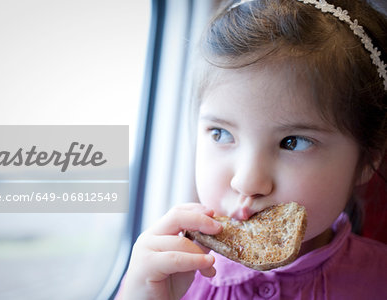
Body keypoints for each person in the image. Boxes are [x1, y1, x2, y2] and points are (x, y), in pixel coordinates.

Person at [117, 0, 387, 299]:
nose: (246, 182)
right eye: (220, 134)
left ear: (367, 157)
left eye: (292, 142)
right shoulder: (166, 279)